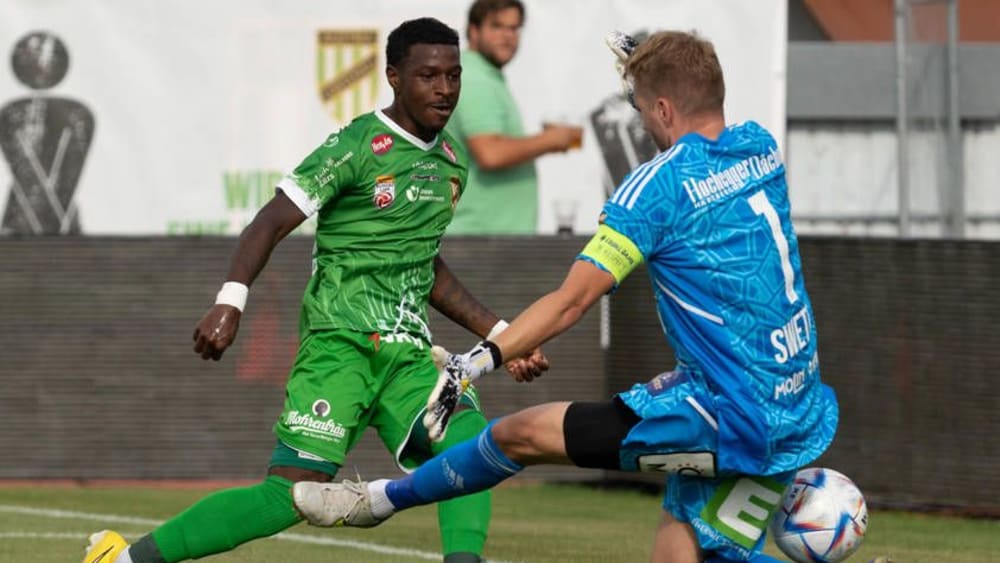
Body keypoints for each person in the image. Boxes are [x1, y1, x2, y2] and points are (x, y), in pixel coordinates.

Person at [290, 30, 840, 563]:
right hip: (794, 397)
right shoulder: (759, 148)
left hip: (725, 410)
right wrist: (649, 65)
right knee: (689, 556)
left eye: (644, 110)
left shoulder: (657, 189)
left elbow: (571, 302)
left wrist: (471, 365)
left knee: (517, 436)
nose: (643, 121)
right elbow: (694, 86)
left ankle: (375, 501)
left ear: (665, 109)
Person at [82, 17, 546, 563]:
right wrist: (230, 301)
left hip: (409, 359)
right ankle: (124, 560)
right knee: (288, 496)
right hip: (339, 346)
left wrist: (501, 334)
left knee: (472, 450)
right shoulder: (356, 147)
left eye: (453, 75)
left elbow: (425, 264)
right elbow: (270, 221)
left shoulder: (449, 163)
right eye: (428, 76)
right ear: (394, 77)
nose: (444, 89)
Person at [446, 0, 582, 235]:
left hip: (488, 239)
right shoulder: (476, 79)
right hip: (481, 240)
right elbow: (490, 153)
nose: (508, 36)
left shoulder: (482, 76)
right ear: (473, 31)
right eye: (497, 26)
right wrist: (551, 139)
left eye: (514, 28)